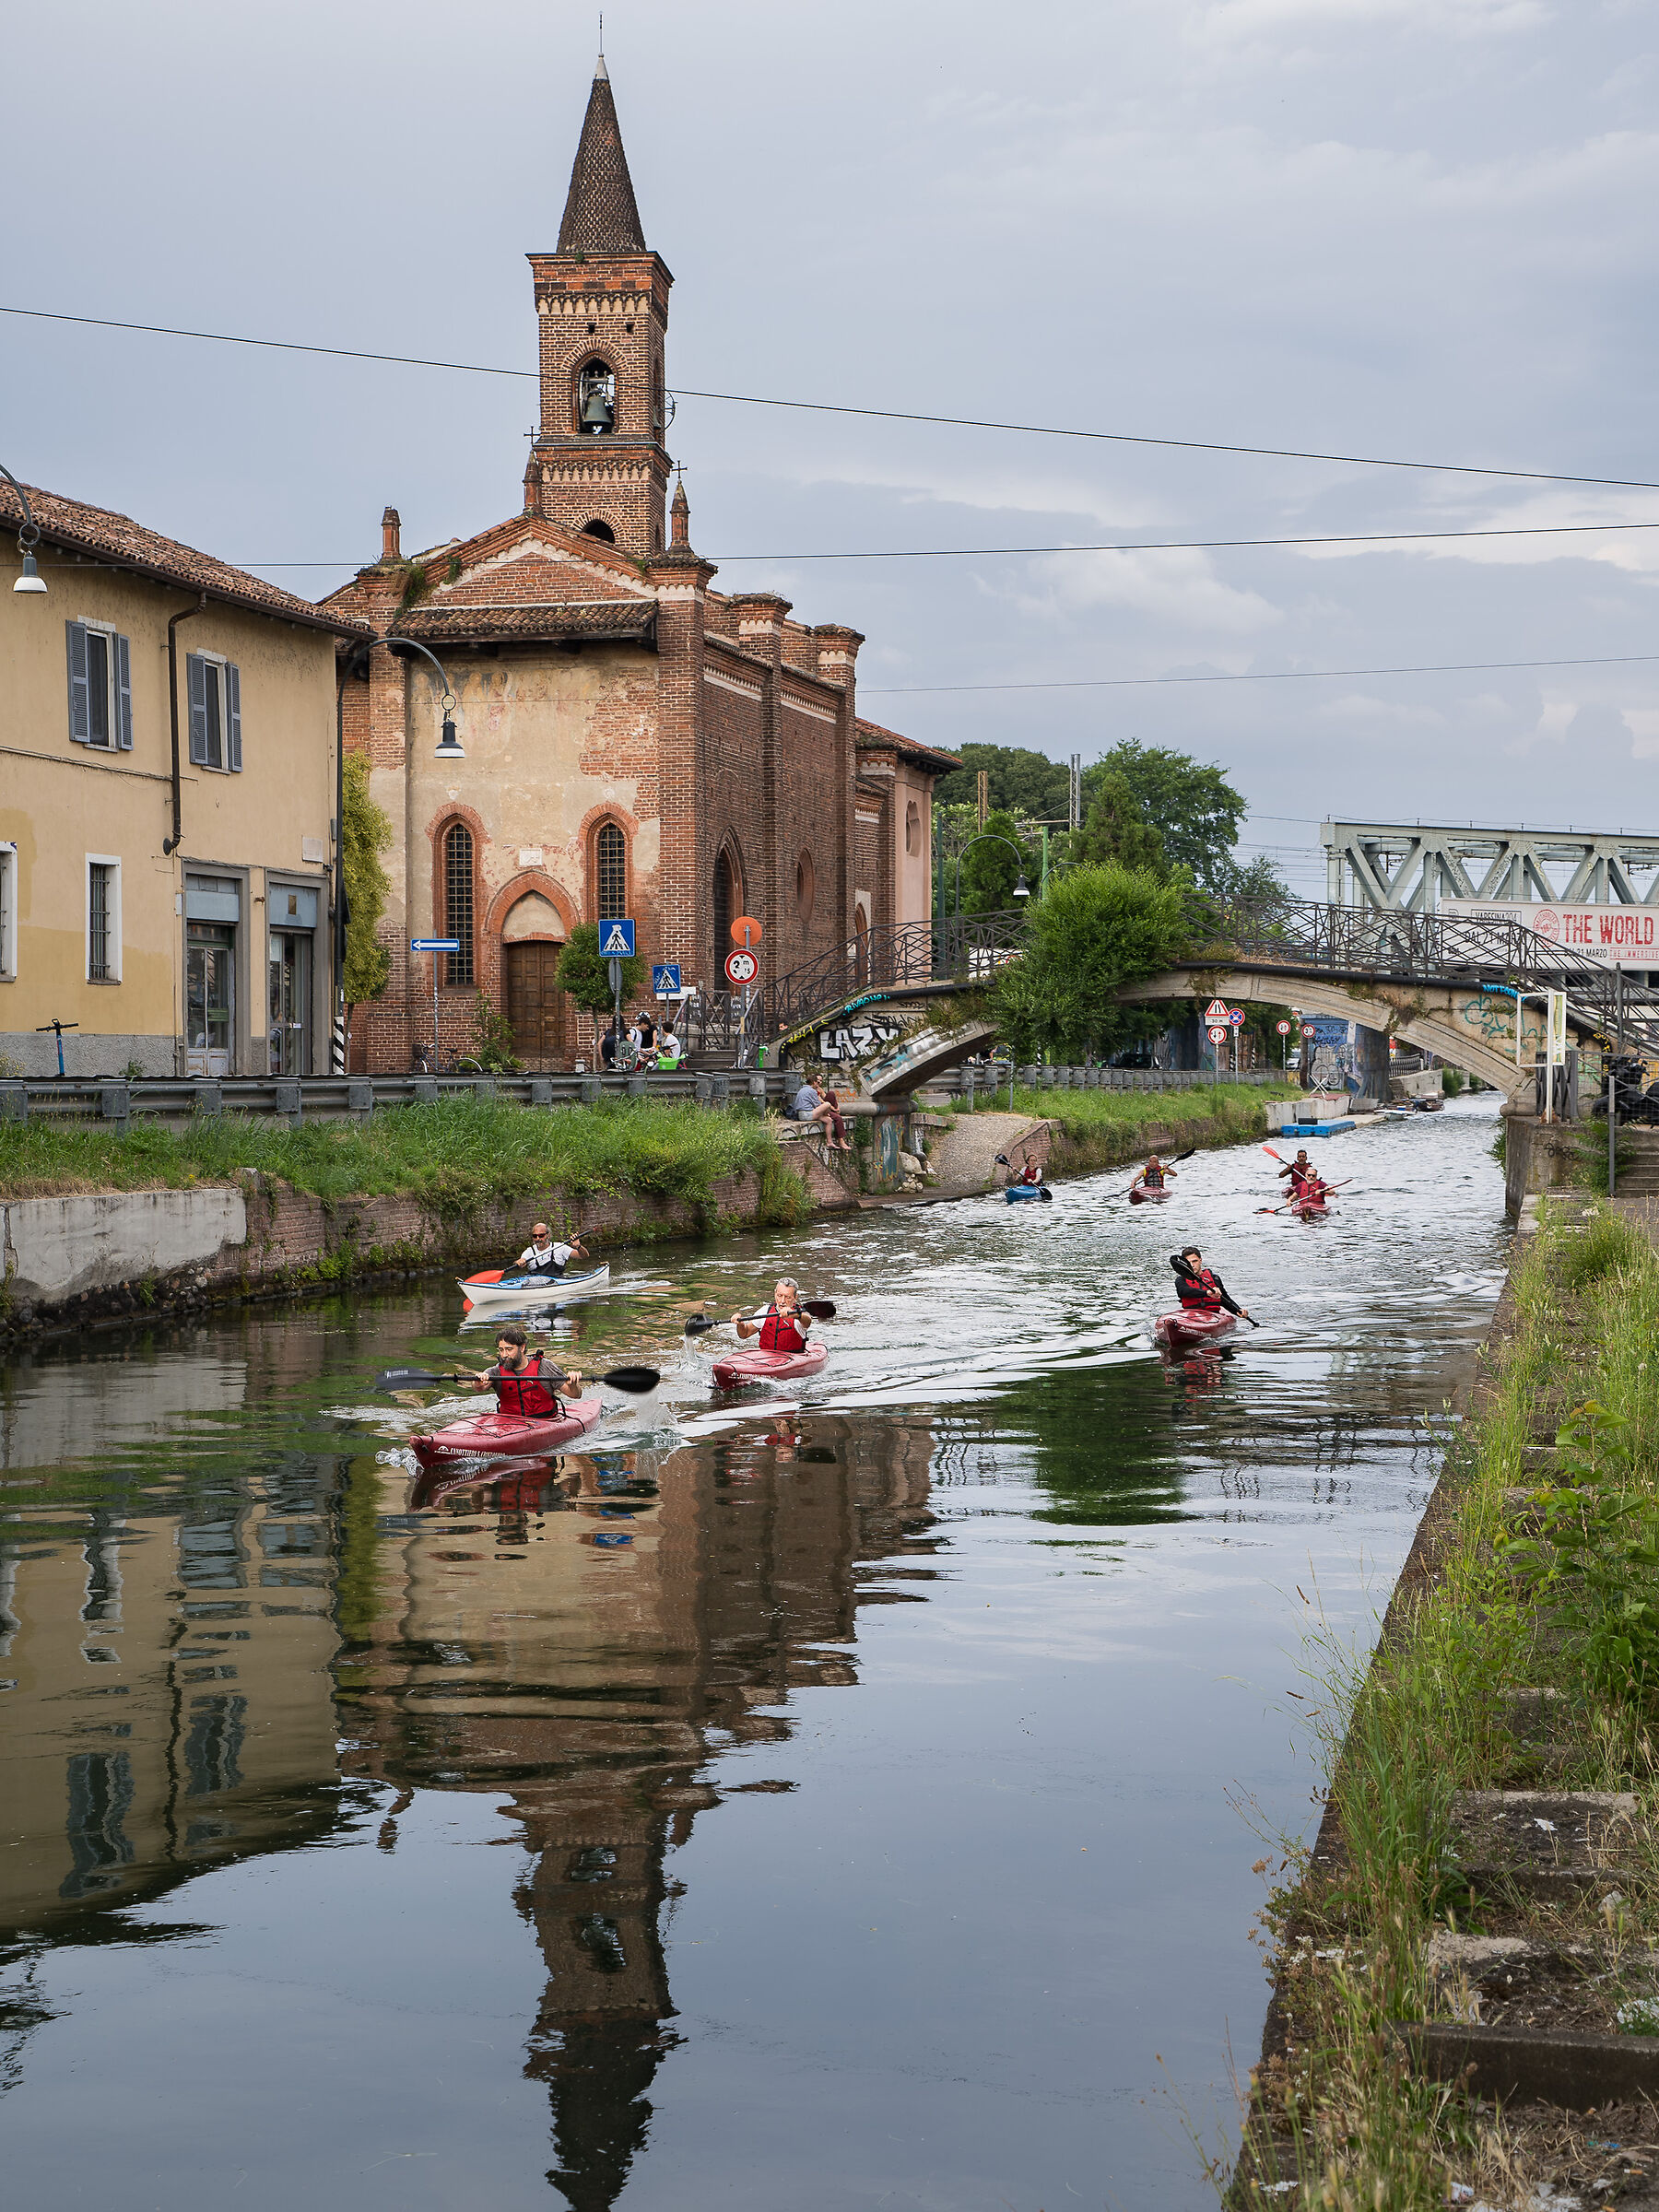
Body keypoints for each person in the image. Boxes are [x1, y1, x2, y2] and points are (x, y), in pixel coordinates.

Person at [464, 1323, 582, 1414]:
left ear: (522, 1347)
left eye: (509, 1350)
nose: (504, 1355)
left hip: (545, 1421)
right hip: (508, 1424)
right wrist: (478, 1380)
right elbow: (479, 1388)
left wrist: (573, 1384)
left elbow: (575, 1395)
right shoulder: (496, 1371)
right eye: (501, 1350)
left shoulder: (545, 1366)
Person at [732, 1277, 813, 1350]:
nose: (782, 1301)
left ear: (795, 1297)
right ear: (775, 1294)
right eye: (779, 1295)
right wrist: (740, 1324)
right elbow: (744, 1334)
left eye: (788, 1297)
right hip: (767, 1358)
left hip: (792, 1358)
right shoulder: (765, 1311)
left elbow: (807, 1321)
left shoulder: (800, 1314)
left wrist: (796, 1315)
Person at [1170, 1246, 1249, 1321]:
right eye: (1189, 1262)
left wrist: (1237, 1310)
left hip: (1213, 1315)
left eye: (1195, 1261)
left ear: (1200, 1260)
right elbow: (1183, 1291)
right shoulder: (1181, 1279)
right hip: (1191, 1316)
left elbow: (1224, 1298)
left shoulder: (1214, 1278)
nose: (1192, 1265)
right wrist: (1207, 1293)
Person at [791, 1073, 852, 1151]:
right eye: (817, 1082)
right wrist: (829, 1109)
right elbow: (818, 1105)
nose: (818, 1085)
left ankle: (829, 1142)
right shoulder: (811, 1091)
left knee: (828, 1120)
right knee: (827, 1104)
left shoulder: (803, 1089)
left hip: (805, 1113)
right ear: (814, 1082)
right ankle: (829, 1115)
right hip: (806, 1114)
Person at [517, 1223, 587, 1280]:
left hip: (557, 1283)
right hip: (535, 1284)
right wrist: (519, 1262)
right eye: (535, 1236)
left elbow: (583, 1256)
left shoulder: (560, 1247)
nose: (538, 1239)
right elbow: (521, 1260)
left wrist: (578, 1246)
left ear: (548, 1235)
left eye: (541, 1235)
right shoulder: (529, 1251)